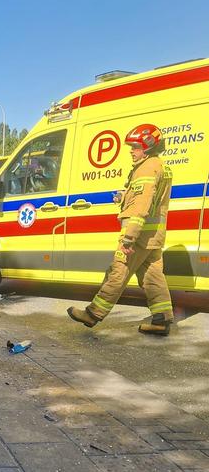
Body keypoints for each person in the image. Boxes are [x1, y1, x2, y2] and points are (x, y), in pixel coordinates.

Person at [67, 124, 174, 336]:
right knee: (153, 277)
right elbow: (150, 201)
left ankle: (93, 314)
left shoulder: (146, 168)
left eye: (135, 146)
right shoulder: (159, 165)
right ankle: (162, 319)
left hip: (138, 236)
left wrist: (129, 238)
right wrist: (123, 196)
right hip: (153, 237)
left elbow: (141, 206)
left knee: (117, 272)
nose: (131, 151)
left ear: (148, 146)